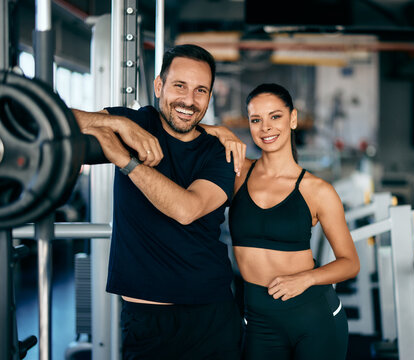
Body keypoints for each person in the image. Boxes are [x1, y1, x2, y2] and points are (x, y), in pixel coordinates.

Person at [74, 44, 245, 360]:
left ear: (209, 98)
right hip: (146, 321)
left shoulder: (219, 151)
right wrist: (118, 124)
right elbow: (57, 121)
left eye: (200, 91)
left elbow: (187, 209)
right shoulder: (135, 123)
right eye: (180, 86)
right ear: (158, 86)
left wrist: (125, 160)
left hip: (210, 316)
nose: (189, 100)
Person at [210, 83, 360, 359]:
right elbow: (187, 133)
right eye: (256, 120)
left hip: (313, 317)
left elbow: (350, 263)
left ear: (293, 119)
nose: (265, 127)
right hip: (258, 320)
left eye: (275, 116)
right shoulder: (239, 173)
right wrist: (220, 131)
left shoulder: (317, 190)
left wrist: (306, 279)